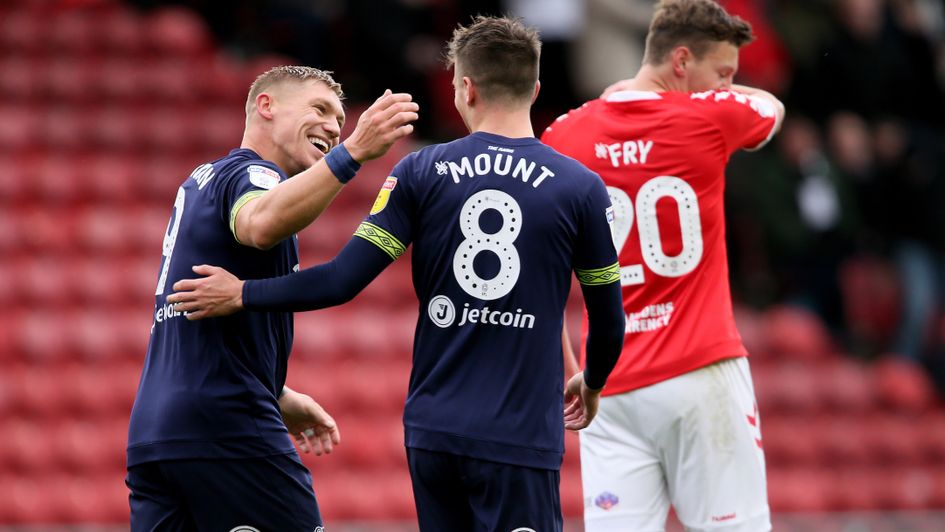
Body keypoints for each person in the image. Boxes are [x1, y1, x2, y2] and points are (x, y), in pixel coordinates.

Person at [167, 16, 626, 531]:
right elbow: (608, 319)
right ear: (536, 88)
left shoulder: (420, 171)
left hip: (435, 431)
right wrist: (593, 380)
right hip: (519, 433)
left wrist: (244, 294)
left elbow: (340, 280)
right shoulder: (580, 187)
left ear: (465, 88)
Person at [126, 65, 419, 531]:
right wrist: (353, 152)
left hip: (156, 431)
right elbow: (259, 224)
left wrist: (277, 391)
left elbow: (201, 321)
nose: (332, 126)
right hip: (227, 424)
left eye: (340, 121)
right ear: (266, 106)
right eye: (319, 109)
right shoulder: (254, 174)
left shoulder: (202, 181)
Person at [540, 1, 785, 530]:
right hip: (702, 370)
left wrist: (574, 370)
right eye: (721, 73)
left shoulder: (564, 136)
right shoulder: (711, 116)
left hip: (609, 385)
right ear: (680, 60)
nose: (724, 86)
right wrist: (725, 94)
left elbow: (547, 278)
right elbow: (771, 108)